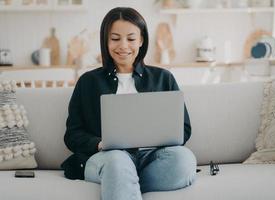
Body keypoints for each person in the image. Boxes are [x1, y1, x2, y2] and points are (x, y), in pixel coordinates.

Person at [61, 7, 196, 200]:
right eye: (115, 39)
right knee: (118, 161)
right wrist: (100, 144)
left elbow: (184, 129)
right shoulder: (88, 82)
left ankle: (122, 181)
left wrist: (156, 138)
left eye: (131, 39)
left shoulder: (163, 78)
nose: (123, 46)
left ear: (141, 40)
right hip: (106, 159)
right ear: (106, 41)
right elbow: (72, 135)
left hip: (150, 159)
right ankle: (120, 176)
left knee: (184, 160)